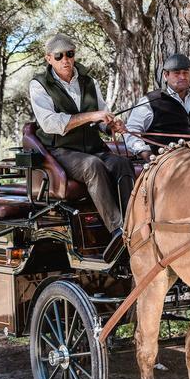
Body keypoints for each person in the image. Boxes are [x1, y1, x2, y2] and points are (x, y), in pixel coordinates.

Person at [28, 33, 134, 254]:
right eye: (59, 56)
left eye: (69, 54)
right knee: (92, 166)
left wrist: (110, 125)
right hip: (60, 151)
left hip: (91, 147)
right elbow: (50, 124)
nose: (65, 59)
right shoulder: (39, 85)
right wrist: (92, 116)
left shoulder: (88, 81)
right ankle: (118, 231)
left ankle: (135, 224)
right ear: (48, 58)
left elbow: (101, 117)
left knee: (122, 164)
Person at [124, 53, 190, 160]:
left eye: (186, 73)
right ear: (166, 75)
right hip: (163, 163)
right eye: (177, 73)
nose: (182, 77)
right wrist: (145, 152)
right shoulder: (150, 101)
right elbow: (131, 131)